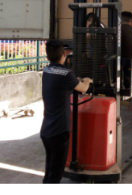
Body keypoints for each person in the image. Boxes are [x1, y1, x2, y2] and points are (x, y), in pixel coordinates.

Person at [40, 40, 92, 184]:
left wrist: (74, 80)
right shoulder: (66, 73)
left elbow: (63, 84)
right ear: (64, 55)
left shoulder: (46, 70)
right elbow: (83, 89)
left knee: (50, 169)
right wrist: (87, 81)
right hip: (59, 131)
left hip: (46, 130)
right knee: (56, 173)